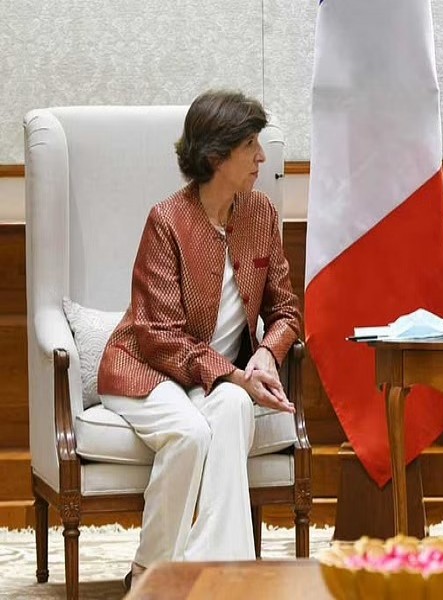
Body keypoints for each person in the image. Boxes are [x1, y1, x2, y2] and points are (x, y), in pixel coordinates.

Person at [97, 90, 302, 588]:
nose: (262, 157)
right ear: (216, 156)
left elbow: (286, 311)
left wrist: (269, 358)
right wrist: (232, 373)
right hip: (143, 369)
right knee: (190, 435)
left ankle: (224, 577)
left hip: (210, 379)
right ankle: (149, 576)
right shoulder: (167, 221)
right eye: (250, 144)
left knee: (232, 408)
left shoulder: (261, 215)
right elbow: (157, 336)